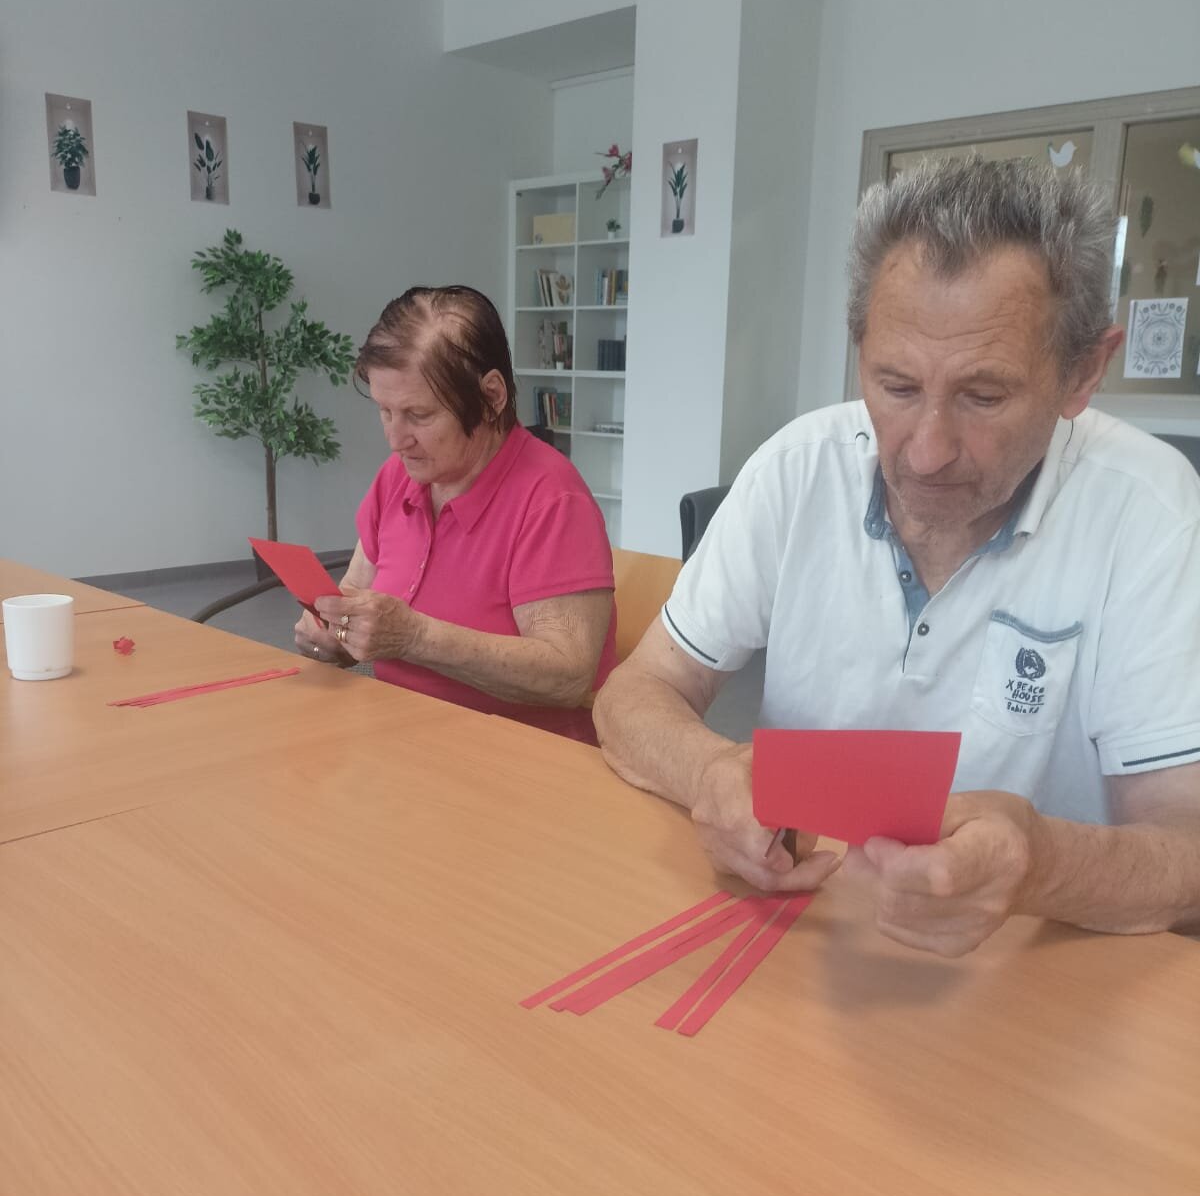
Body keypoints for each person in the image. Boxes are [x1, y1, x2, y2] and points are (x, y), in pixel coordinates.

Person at [594, 156, 1200, 954]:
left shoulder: (1149, 511)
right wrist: (709, 770)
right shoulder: (797, 468)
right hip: (798, 936)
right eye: (897, 386)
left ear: (1081, 372)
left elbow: (1184, 845)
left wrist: (1043, 866)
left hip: (1034, 970)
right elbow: (636, 692)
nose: (925, 452)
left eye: (983, 396)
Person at [295, 285, 616, 742]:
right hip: (399, 738)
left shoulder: (551, 499)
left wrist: (415, 637)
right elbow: (354, 594)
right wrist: (335, 634)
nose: (395, 439)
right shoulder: (399, 477)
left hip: (516, 758)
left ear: (491, 397)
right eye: (385, 411)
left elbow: (568, 674)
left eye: (419, 415)